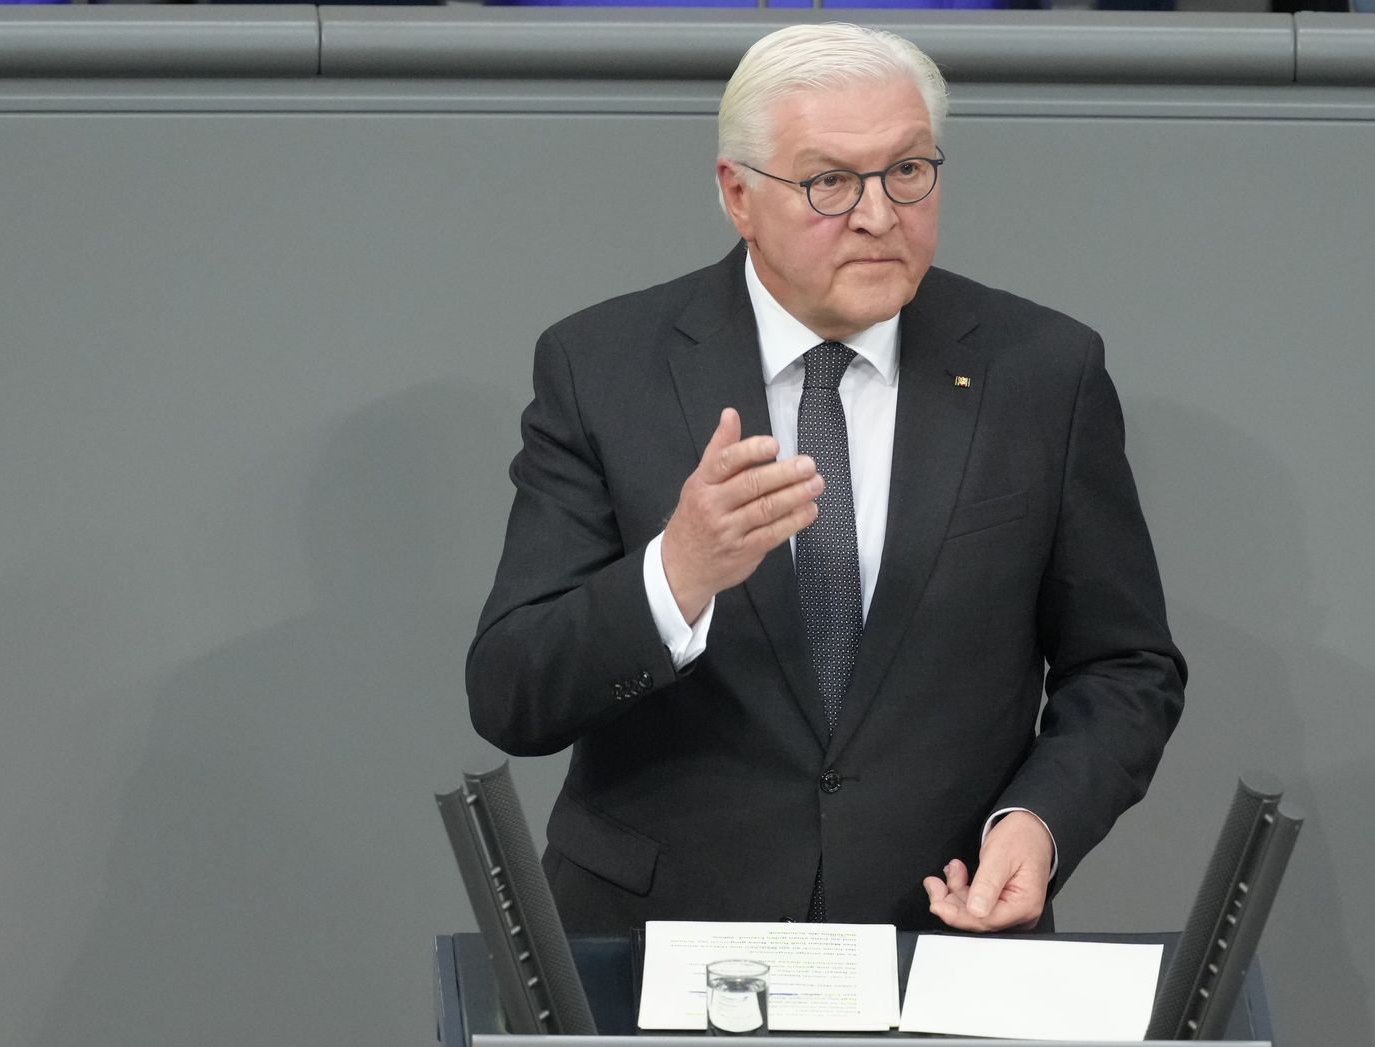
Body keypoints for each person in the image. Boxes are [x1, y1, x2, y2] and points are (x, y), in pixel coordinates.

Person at [466, 22, 1184, 935]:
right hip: (659, 948)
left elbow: (1124, 665)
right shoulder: (604, 368)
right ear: (738, 194)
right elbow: (511, 693)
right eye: (830, 182)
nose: (879, 214)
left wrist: (1037, 824)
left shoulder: (1043, 371)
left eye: (909, 172)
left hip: (939, 938)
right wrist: (676, 573)